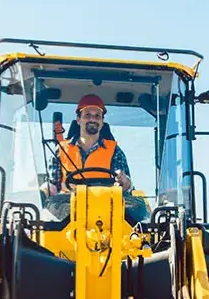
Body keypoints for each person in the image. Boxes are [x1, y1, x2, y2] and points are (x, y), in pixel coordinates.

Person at [43, 94, 149, 222]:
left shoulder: (115, 151)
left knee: (140, 207)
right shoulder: (61, 150)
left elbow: (125, 185)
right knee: (48, 210)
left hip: (108, 210)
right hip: (68, 209)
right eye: (87, 115)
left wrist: (124, 180)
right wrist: (43, 192)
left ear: (102, 121)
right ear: (78, 119)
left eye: (97, 116)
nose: (92, 119)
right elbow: (53, 184)